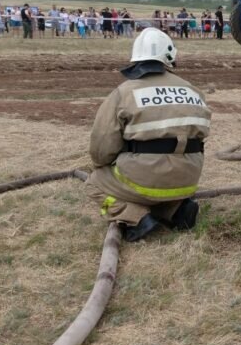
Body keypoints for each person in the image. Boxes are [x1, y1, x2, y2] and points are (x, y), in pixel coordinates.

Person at [86, 28, 212, 242]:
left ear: (136, 57)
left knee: (93, 184)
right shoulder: (193, 90)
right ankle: (176, 209)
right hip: (188, 179)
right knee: (158, 189)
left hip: (143, 179)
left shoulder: (123, 93)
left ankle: (136, 217)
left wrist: (107, 165)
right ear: (170, 56)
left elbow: (101, 151)